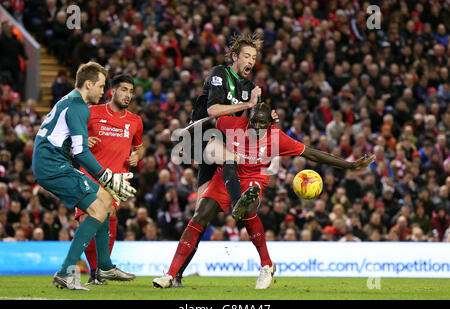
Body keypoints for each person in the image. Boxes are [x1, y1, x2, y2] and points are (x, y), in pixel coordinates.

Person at [153, 102, 374, 290]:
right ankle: (170, 275)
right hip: (226, 175)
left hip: (254, 177)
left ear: (270, 124)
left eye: (262, 124)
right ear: (248, 118)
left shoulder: (277, 138)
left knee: (249, 206)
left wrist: (349, 164)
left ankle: (265, 264)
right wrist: (185, 134)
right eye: (254, 122)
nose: (257, 127)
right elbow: (208, 122)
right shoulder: (232, 124)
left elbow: (313, 153)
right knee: (199, 216)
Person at [172, 32, 277, 286]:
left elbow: (254, 124)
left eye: (254, 57)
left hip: (226, 144)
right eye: (246, 56)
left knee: (201, 214)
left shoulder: (252, 89)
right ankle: (237, 203)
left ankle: (174, 274)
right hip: (203, 136)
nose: (251, 61)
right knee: (202, 210)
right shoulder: (220, 73)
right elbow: (213, 111)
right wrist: (247, 104)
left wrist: (267, 116)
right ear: (234, 57)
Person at [32, 62, 136, 291]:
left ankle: (105, 265)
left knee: (106, 202)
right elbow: (80, 152)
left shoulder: (71, 101)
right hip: (52, 166)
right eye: (100, 86)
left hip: (50, 162)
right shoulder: (79, 107)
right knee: (98, 209)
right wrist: (106, 176)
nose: (103, 91)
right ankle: (66, 272)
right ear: (88, 84)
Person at [74, 74, 144, 285]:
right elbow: (73, 139)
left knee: (108, 215)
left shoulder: (135, 121)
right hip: (88, 176)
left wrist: (137, 156)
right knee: (87, 220)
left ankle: (99, 271)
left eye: (131, 91)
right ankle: (97, 270)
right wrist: (85, 140)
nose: (128, 95)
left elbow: (139, 147)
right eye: (123, 90)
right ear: (112, 91)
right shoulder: (91, 112)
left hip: (115, 181)